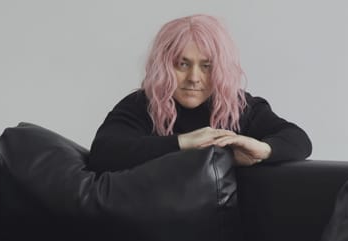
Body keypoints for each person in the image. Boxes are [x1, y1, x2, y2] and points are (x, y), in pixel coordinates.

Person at [88, 14, 312, 173]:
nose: (194, 78)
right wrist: (186, 143)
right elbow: (104, 152)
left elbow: (298, 139)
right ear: (164, 67)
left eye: (206, 66)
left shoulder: (240, 106)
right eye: (182, 64)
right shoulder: (141, 104)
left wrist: (260, 149)